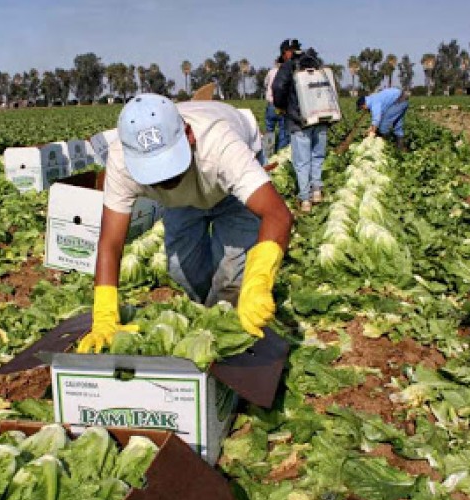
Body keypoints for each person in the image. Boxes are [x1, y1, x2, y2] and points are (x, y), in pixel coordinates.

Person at [76, 93, 294, 353]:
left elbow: (277, 214)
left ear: (189, 136)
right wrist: (103, 315)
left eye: (168, 165)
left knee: (234, 277)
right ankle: (211, 312)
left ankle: (229, 334)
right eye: (152, 171)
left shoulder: (222, 145)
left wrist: (258, 281)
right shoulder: (121, 160)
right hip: (180, 201)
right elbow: (110, 241)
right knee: (182, 269)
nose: (163, 178)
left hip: (227, 189)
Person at [272, 39, 330, 213]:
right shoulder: (317, 64)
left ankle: (305, 200)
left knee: (302, 161)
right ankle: (317, 191)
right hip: (321, 117)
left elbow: (278, 87)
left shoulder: (289, 66)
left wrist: (281, 106)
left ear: (287, 53)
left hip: (300, 121)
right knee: (317, 156)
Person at [263, 44, 293, 154]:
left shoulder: (271, 71)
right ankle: (280, 156)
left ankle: (267, 155)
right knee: (283, 132)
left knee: (269, 130)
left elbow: (266, 84)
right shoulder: (287, 72)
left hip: (271, 105)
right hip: (282, 106)